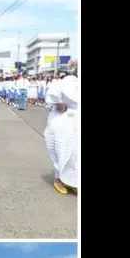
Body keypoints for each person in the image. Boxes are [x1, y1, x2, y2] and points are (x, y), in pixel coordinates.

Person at [44, 61, 79, 195]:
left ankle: (73, 181)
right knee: (62, 149)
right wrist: (59, 103)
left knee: (76, 153)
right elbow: (51, 97)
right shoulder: (64, 82)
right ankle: (59, 179)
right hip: (64, 120)